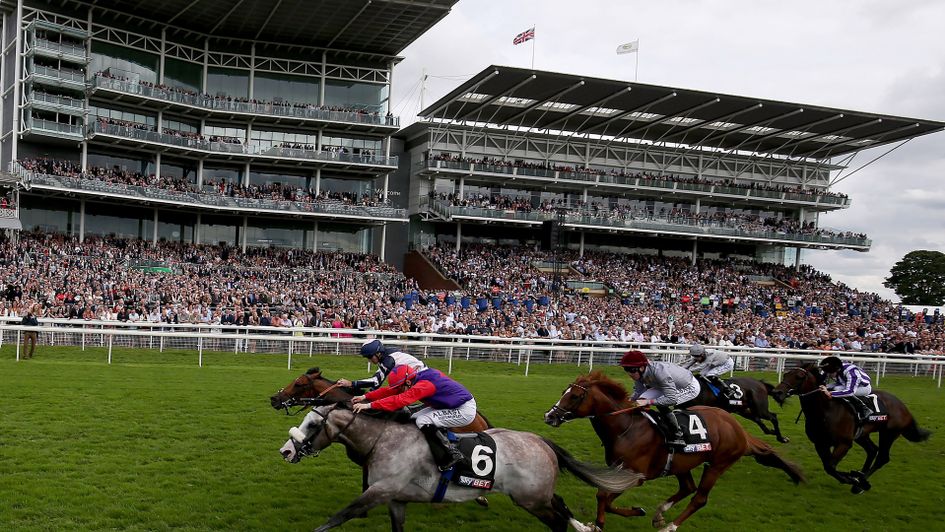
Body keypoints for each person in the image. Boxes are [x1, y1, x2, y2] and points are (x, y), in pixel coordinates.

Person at [352, 365, 474, 471]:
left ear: (408, 382)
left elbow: (399, 401)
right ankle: (427, 450)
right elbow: (391, 391)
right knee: (415, 417)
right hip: (448, 405)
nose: (398, 390)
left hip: (463, 409)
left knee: (423, 420)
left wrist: (368, 405)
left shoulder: (424, 385)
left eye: (400, 387)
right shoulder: (413, 379)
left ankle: (453, 454)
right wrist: (365, 396)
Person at [619, 350, 700, 449]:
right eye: (625, 369)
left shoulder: (660, 372)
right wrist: (628, 401)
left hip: (688, 387)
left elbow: (671, 399)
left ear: (641, 367)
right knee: (640, 400)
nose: (629, 373)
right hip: (663, 385)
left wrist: (649, 402)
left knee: (661, 403)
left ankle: (678, 436)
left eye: (631, 370)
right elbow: (638, 392)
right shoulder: (639, 373)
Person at [336, 339, 427, 391]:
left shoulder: (389, 360)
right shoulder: (386, 356)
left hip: (422, 379)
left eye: (370, 356)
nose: (369, 360)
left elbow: (376, 381)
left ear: (378, 353)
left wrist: (351, 383)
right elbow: (377, 383)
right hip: (416, 376)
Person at [818, 356, 873, 422]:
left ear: (837, 370)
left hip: (862, 387)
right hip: (844, 383)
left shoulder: (851, 372)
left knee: (837, 389)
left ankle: (864, 409)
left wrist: (830, 393)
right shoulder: (831, 369)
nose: (828, 375)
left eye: (830, 373)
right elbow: (820, 380)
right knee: (827, 387)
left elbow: (850, 392)